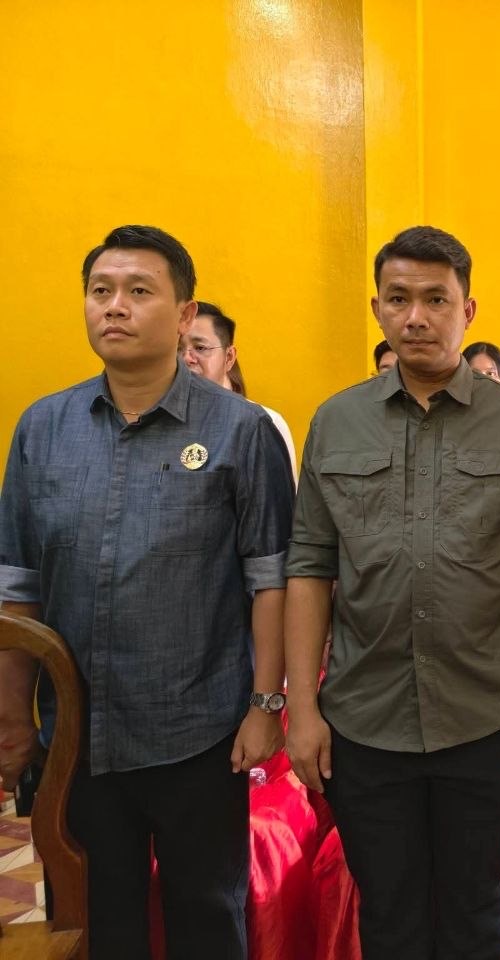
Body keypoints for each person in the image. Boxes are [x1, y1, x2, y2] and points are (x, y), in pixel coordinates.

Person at [0, 225, 294, 958]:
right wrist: (13, 712)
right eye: (101, 291)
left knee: (206, 919)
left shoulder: (241, 431)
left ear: (185, 313)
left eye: (139, 291)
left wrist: (266, 706)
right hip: (74, 736)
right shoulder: (43, 429)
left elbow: (270, 579)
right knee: (98, 923)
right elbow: (18, 584)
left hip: (199, 731)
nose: (115, 306)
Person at [284, 225, 500, 958]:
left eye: (436, 299)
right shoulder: (336, 421)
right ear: (377, 308)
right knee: (389, 912)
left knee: (474, 909)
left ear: (467, 311)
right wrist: (303, 708)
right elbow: (310, 565)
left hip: (485, 716)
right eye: (399, 299)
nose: (416, 316)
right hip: (364, 718)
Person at [180, 301, 297, 474]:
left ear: (229, 357)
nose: (186, 358)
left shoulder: (263, 424)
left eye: (200, 348)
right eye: (178, 348)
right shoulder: (158, 420)